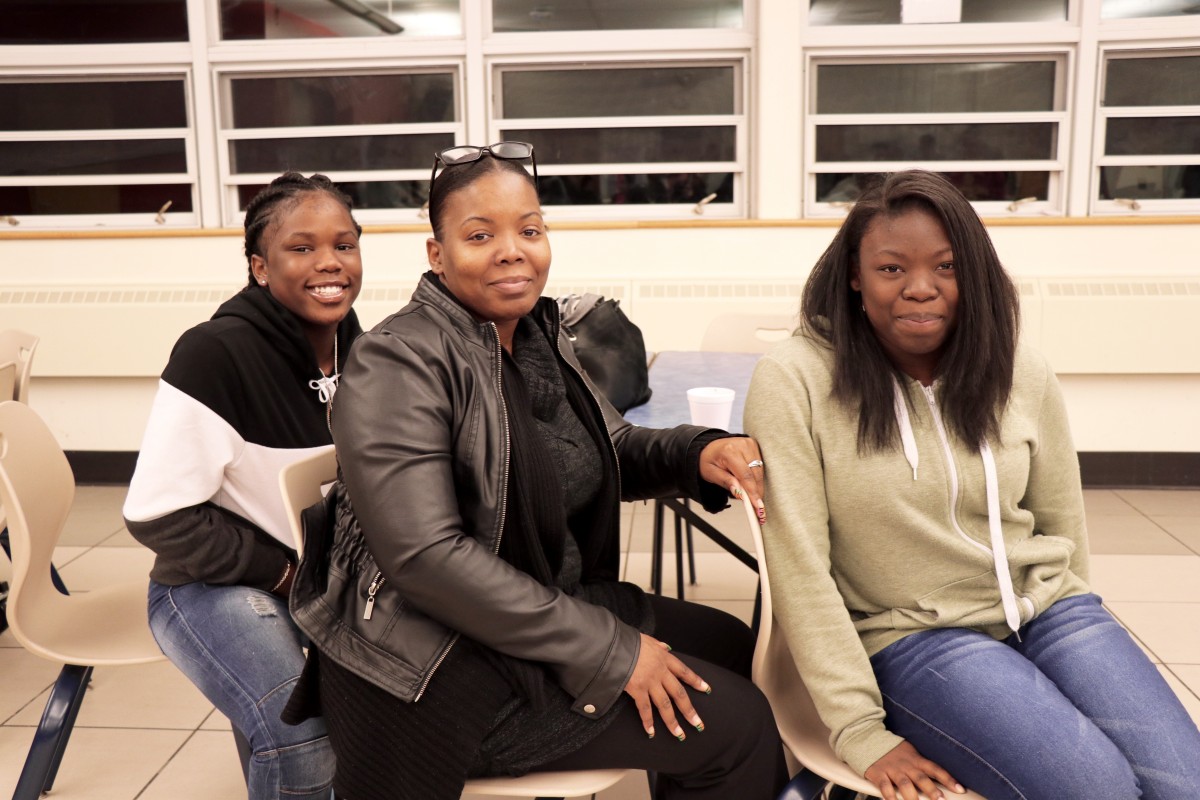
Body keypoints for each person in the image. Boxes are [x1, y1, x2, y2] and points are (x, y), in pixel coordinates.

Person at [283, 142, 788, 800]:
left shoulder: (534, 335)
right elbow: (426, 556)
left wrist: (696, 452)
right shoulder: (397, 361)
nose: (512, 250)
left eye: (530, 229)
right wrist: (610, 651)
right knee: (738, 725)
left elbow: (607, 445)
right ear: (437, 255)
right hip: (435, 659)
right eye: (479, 234)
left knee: (729, 644)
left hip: (529, 603)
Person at [744, 169, 1200, 800]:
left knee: (1184, 784)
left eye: (947, 266)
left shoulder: (1019, 367)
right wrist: (859, 729)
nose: (921, 289)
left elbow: (1062, 519)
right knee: (1095, 787)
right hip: (912, 635)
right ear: (855, 275)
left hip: (1048, 610)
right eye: (891, 269)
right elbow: (799, 567)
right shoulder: (794, 379)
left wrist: (1073, 651)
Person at [123, 172, 364, 800]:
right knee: (301, 736)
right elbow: (157, 516)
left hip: (315, 578)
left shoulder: (356, 347)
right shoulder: (215, 354)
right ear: (260, 267)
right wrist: (287, 576)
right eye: (302, 248)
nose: (329, 263)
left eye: (345, 244)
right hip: (210, 585)